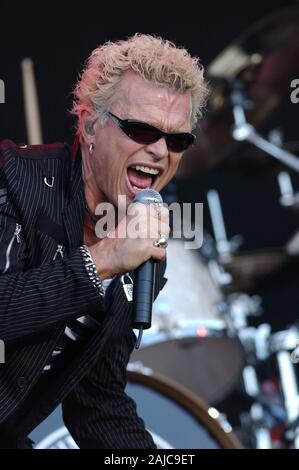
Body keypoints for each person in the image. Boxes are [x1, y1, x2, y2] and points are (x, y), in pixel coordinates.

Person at [0, 33, 208, 448]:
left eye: (176, 139)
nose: (159, 151)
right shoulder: (14, 180)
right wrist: (103, 260)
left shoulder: (142, 243)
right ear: (90, 123)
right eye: (141, 129)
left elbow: (97, 399)